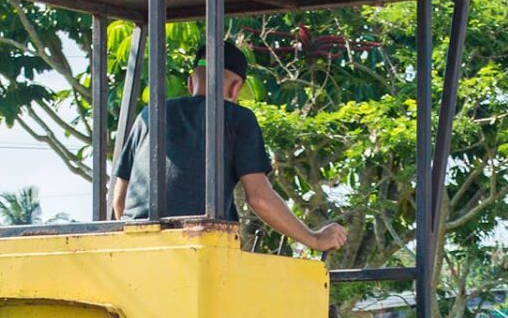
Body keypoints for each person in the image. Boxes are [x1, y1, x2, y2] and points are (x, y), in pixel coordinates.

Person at [111, 39, 347, 253]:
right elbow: (259, 198)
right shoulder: (237, 118)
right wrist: (314, 239)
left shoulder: (149, 114)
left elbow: (119, 197)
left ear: (190, 82)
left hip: (135, 244)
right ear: (235, 88)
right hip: (198, 247)